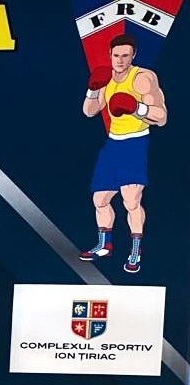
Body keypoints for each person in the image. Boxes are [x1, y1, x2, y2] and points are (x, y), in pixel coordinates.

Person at [78, 33, 167, 274]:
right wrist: (92, 90)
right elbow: (89, 111)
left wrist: (136, 107)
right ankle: (104, 245)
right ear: (110, 54)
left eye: (125, 55)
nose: (120, 60)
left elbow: (161, 117)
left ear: (133, 56)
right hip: (113, 144)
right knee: (100, 199)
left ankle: (135, 250)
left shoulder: (143, 78)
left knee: (131, 200)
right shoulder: (106, 77)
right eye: (116, 55)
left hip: (135, 143)